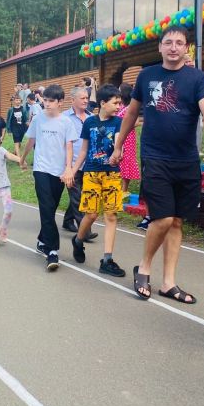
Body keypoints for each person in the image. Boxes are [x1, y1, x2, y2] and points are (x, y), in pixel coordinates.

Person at [111, 25, 204, 304]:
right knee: (163, 218)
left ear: (186, 48)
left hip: (186, 160)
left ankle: (168, 283)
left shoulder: (197, 78)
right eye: (168, 42)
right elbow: (132, 112)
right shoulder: (147, 76)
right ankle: (144, 267)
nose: (173, 47)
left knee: (177, 222)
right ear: (160, 47)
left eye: (179, 43)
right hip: (155, 157)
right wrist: (119, 144)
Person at [19, 84, 77, 271]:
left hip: (59, 171)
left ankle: (43, 240)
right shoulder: (38, 119)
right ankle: (52, 251)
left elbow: (69, 147)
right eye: (45, 100)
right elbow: (31, 140)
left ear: (60, 102)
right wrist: (22, 158)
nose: (47, 103)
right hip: (41, 169)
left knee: (50, 209)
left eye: (51, 101)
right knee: (45, 206)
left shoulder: (67, 122)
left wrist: (68, 169)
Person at [70, 84, 125, 277]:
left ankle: (107, 259)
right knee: (91, 215)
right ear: (103, 102)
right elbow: (84, 150)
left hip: (112, 174)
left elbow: (119, 143)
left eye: (120, 103)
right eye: (115, 103)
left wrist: (117, 154)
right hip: (91, 174)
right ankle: (78, 240)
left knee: (110, 215)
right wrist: (72, 171)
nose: (119, 106)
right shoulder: (90, 123)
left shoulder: (118, 122)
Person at [62, 87, 91, 234]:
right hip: (70, 165)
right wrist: (66, 167)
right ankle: (84, 231)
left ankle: (68, 221)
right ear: (72, 100)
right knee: (77, 196)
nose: (86, 100)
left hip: (88, 164)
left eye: (87, 98)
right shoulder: (64, 117)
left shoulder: (92, 117)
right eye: (82, 98)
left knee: (80, 195)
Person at [117, 83, 140, 196]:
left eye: (119, 90)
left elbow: (136, 122)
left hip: (128, 138)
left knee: (127, 160)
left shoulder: (130, 107)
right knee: (119, 161)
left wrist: (124, 127)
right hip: (119, 137)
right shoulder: (119, 106)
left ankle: (124, 190)